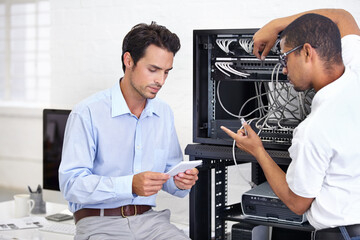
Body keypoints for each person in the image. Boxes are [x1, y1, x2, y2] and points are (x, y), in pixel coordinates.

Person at [221, 9, 360, 240]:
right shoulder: (356, 69)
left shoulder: (314, 129)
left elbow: (297, 203)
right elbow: (343, 17)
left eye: (285, 58)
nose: (283, 69)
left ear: (307, 52)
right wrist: (276, 25)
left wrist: (257, 150)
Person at [59, 22, 199, 240]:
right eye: (153, 70)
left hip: (151, 223)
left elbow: (169, 175)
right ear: (129, 61)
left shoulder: (163, 113)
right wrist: (129, 184)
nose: (160, 81)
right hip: (99, 223)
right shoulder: (87, 113)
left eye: (166, 72)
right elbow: (71, 185)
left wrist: (180, 181)